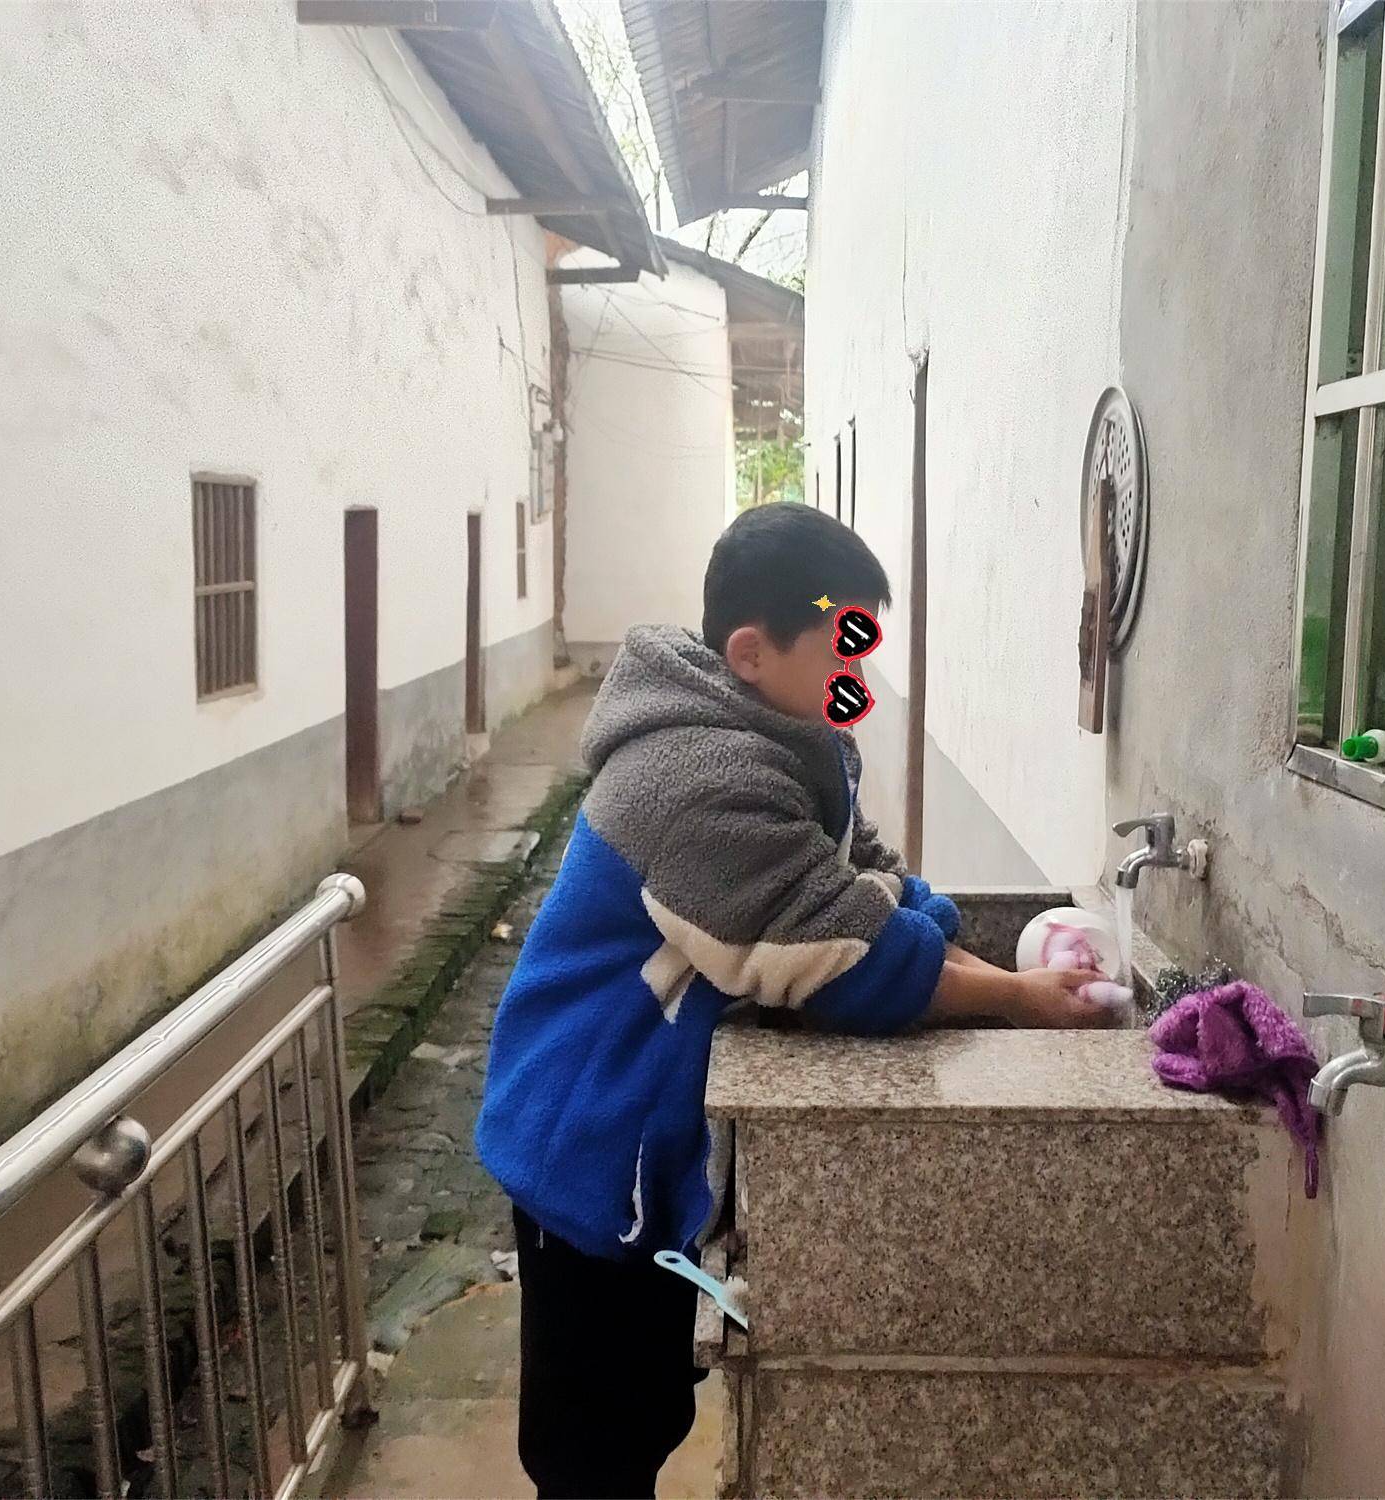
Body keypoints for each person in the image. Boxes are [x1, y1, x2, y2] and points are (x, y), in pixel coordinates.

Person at [475, 503, 1114, 1499]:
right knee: (591, 1452)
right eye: (844, 643)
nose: (859, 670)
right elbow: (841, 958)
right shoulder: (695, 783)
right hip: (587, 1139)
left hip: (637, 1125)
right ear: (750, 651)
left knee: (649, 1408)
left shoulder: (784, 735)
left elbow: (863, 883)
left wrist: (965, 947)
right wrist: (1020, 998)